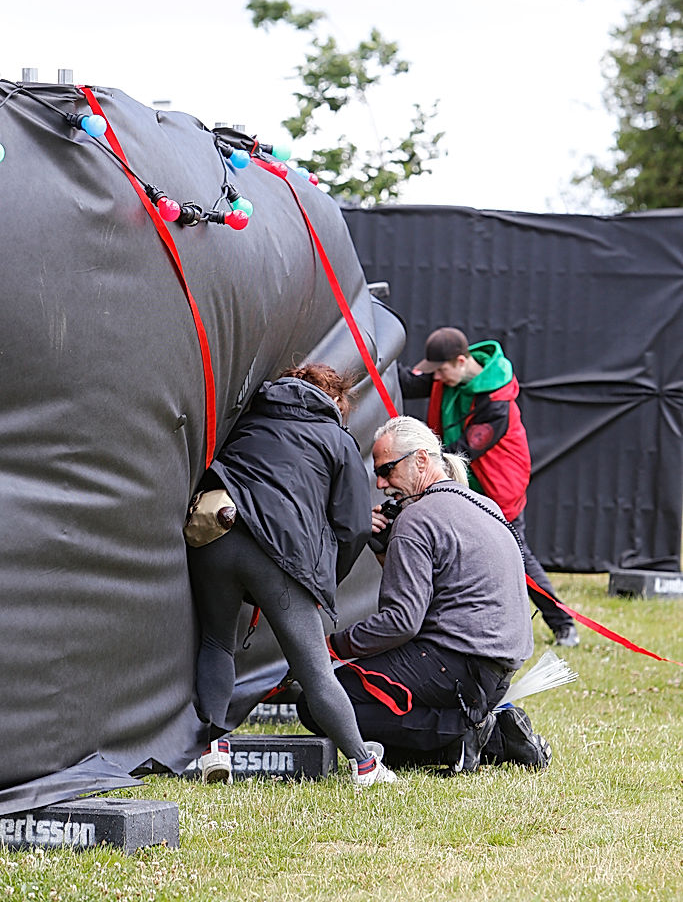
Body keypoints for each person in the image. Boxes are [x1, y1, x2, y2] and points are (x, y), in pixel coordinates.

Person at [298, 416, 552, 774]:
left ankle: (471, 733)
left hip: (457, 664)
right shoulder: (486, 506)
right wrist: (385, 550)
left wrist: (328, 647)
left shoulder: (416, 519)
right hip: (496, 669)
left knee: (318, 701)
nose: (382, 484)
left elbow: (401, 622)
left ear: (421, 460)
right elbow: (434, 598)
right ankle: (488, 734)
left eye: (387, 470)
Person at [187, 363, 396, 789]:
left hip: (215, 536)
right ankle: (364, 766)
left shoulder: (248, 417)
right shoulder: (336, 440)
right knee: (315, 669)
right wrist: (323, 579)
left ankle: (213, 749)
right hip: (280, 555)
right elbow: (354, 526)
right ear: (336, 401)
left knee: (215, 642)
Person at [399, 327, 579, 648]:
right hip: (464, 480)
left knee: (518, 560)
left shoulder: (496, 402)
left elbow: (462, 450)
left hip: (498, 489)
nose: (436, 378)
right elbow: (408, 383)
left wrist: (417, 458)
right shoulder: (447, 374)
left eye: (441, 370)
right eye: (434, 371)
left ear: (461, 360)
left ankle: (563, 624)